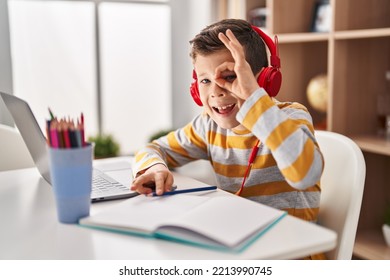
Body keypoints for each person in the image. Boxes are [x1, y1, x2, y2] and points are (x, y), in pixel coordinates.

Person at [131, 19, 324, 259]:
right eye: (205, 80)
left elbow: (305, 173)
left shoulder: (289, 117)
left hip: (290, 255)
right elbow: (152, 148)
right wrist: (155, 167)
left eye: (230, 76)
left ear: (263, 80)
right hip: (235, 250)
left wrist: (254, 98)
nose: (216, 91)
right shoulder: (208, 126)